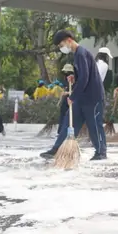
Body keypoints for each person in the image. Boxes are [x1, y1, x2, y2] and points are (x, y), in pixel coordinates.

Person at [41, 30, 107, 160]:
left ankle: (101, 152)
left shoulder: (81, 53)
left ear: (69, 40)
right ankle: (57, 148)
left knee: (94, 125)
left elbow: (85, 78)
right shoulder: (77, 55)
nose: (61, 48)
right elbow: (81, 76)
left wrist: (72, 96)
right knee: (69, 123)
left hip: (92, 98)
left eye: (61, 45)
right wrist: (73, 77)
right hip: (81, 97)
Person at [58, 63, 75, 134]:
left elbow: (76, 90)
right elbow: (66, 88)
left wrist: (68, 93)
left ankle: (66, 131)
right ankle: (61, 131)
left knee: (69, 116)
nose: (66, 74)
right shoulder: (65, 79)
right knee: (63, 114)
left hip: (71, 100)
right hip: (65, 100)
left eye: (67, 72)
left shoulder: (74, 79)